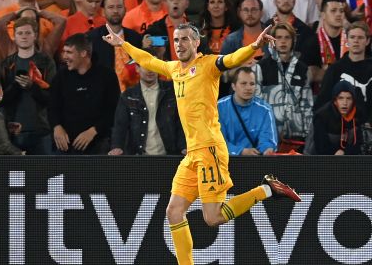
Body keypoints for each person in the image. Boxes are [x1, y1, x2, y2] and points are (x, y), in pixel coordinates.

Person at [102, 23, 301, 265]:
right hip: (192, 154)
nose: (179, 44)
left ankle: (268, 189)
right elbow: (148, 60)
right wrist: (122, 44)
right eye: (176, 40)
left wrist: (254, 46)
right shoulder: (174, 69)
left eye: (185, 39)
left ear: (196, 43)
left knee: (213, 218)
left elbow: (231, 59)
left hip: (210, 149)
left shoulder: (207, 65)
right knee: (173, 212)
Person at [50, 33, 120, 154]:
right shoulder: (61, 76)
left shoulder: (106, 75)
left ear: (83, 53)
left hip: (98, 143)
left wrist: (93, 131)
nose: (64, 56)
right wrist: (56, 127)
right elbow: (52, 106)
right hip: (66, 146)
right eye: (64, 52)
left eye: (69, 52)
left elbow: (113, 110)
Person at [109, 48, 185, 155]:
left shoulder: (173, 91)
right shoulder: (127, 96)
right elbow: (120, 126)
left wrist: (184, 147)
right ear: (137, 68)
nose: (150, 70)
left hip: (169, 156)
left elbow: (181, 123)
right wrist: (117, 147)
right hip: (139, 160)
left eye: (153, 65)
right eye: (146, 65)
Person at [0, 17, 56, 155]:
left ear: (35, 36)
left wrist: (33, 87)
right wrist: (17, 86)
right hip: (13, 131)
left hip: (41, 131)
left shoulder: (46, 63)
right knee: (16, 175)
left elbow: (53, 97)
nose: (24, 37)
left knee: (41, 175)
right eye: (20, 33)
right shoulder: (6, 65)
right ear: (14, 37)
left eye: (28, 33)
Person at [255, 22, 313, 152]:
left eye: (287, 37)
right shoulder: (261, 67)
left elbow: (307, 105)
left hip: (297, 136)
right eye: (279, 37)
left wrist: (307, 133)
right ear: (272, 40)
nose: (283, 41)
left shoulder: (302, 69)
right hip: (268, 136)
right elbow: (257, 103)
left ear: (293, 41)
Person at [314, 21, 372, 123]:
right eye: (352, 37)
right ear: (347, 40)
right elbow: (322, 103)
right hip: (341, 129)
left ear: (367, 41)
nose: (356, 41)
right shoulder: (335, 69)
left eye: (360, 38)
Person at [87, 0, 142, 92]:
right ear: (103, 12)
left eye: (119, 7)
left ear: (125, 10)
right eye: (111, 7)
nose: (115, 11)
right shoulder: (92, 39)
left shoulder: (136, 38)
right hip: (103, 95)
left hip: (134, 95)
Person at [218, 67, 278, 156]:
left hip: (255, 163)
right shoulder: (218, 107)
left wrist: (267, 150)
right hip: (225, 162)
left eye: (252, 84)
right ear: (233, 86)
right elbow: (216, 142)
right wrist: (241, 151)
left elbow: (268, 140)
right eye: (243, 83)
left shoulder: (265, 109)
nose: (248, 88)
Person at [313, 80, 363, 154]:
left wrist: (344, 152)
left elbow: (360, 144)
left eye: (348, 98)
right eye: (341, 98)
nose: (345, 103)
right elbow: (320, 147)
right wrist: (336, 151)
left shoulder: (358, 114)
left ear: (353, 101)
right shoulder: (322, 116)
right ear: (335, 101)